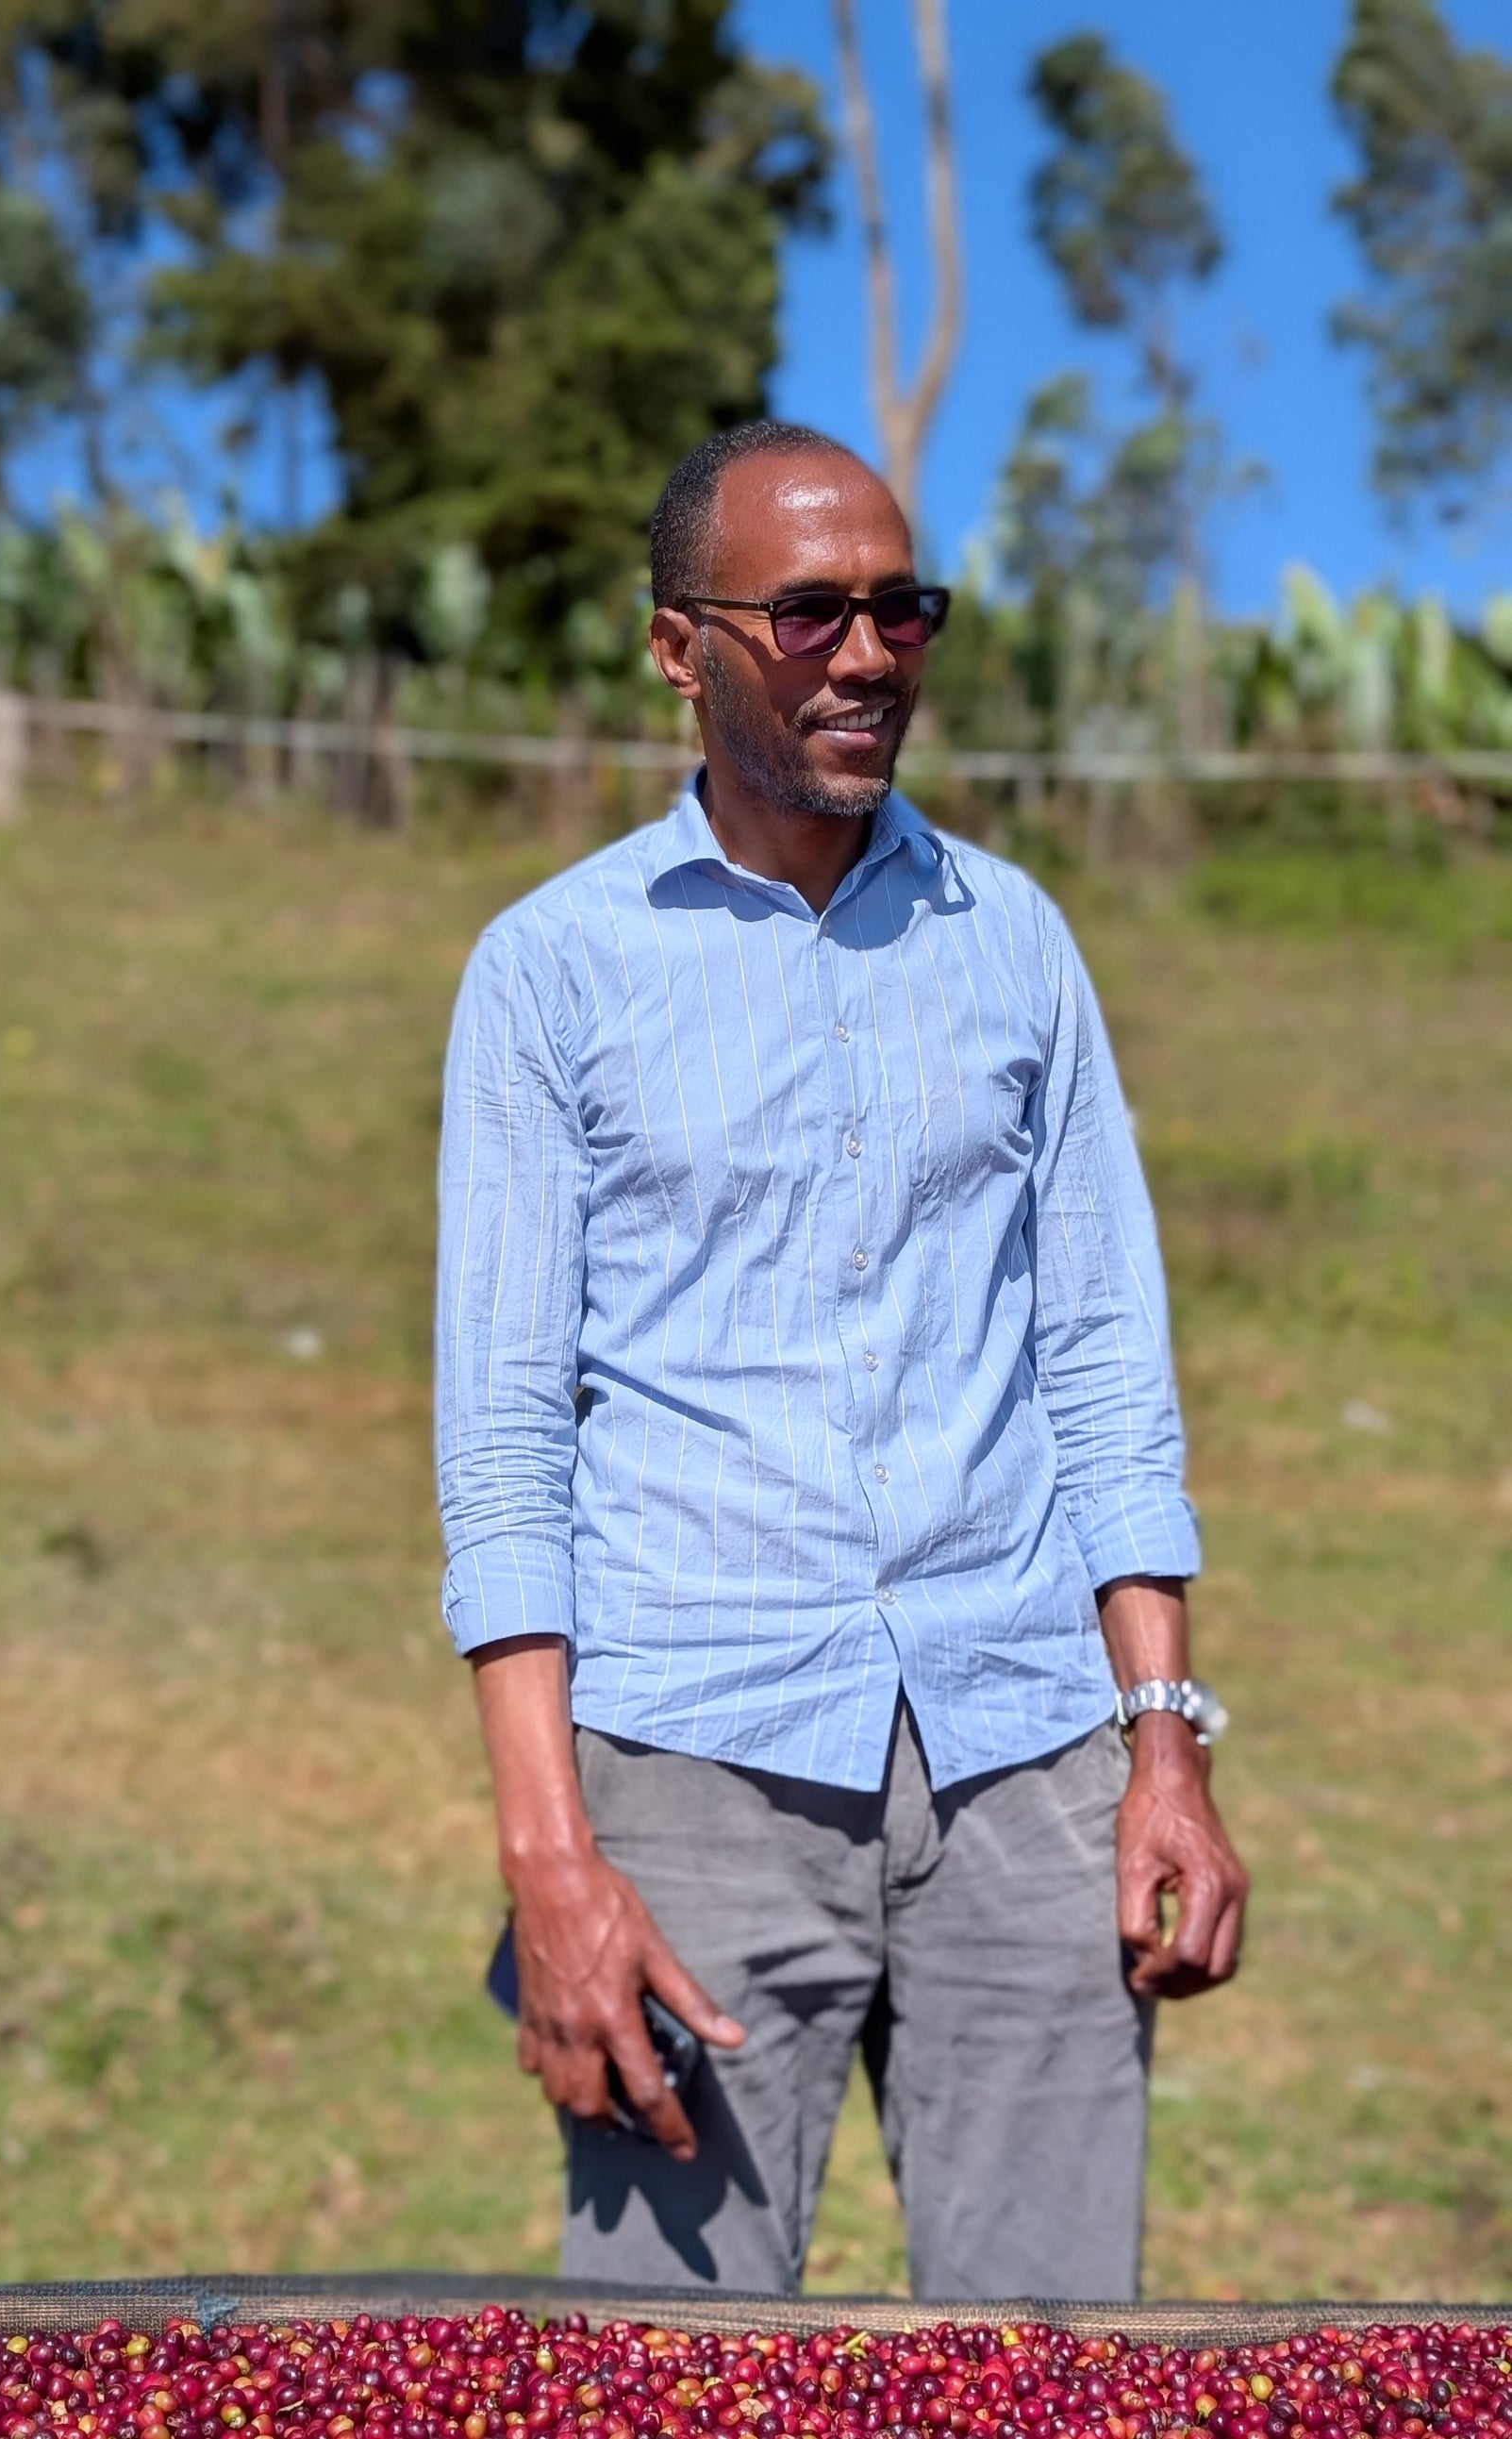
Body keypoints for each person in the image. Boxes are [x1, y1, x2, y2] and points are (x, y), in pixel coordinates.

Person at [433, 419, 1247, 2302]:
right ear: (678, 647)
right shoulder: (553, 971)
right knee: (671, 2375)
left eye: (901, 610)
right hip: (693, 1770)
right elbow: (504, 1442)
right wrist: (552, 1857)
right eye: (807, 613)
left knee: (1051, 2373)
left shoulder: (1014, 941)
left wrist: (1162, 1751)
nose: (866, 656)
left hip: (1023, 1758)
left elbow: (1104, 1366)